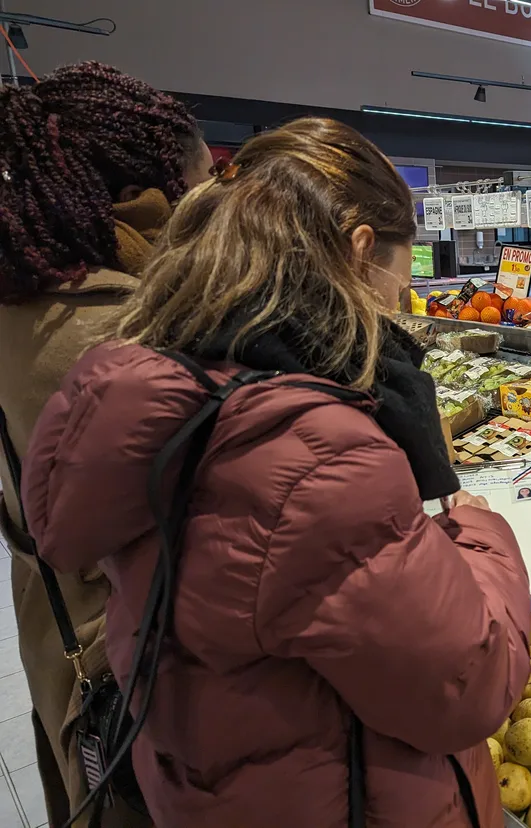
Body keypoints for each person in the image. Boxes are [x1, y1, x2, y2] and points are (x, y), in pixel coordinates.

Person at [20, 118, 531, 828]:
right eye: (401, 271)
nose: (400, 301)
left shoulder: (171, 378)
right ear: (359, 252)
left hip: (226, 781)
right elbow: (469, 684)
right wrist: (471, 522)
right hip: (343, 796)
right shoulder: (316, 452)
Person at [0, 61, 212, 828]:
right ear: (143, 201)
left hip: (56, 628)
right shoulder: (124, 335)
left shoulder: (24, 296)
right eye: (193, 195)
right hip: (131, 658)